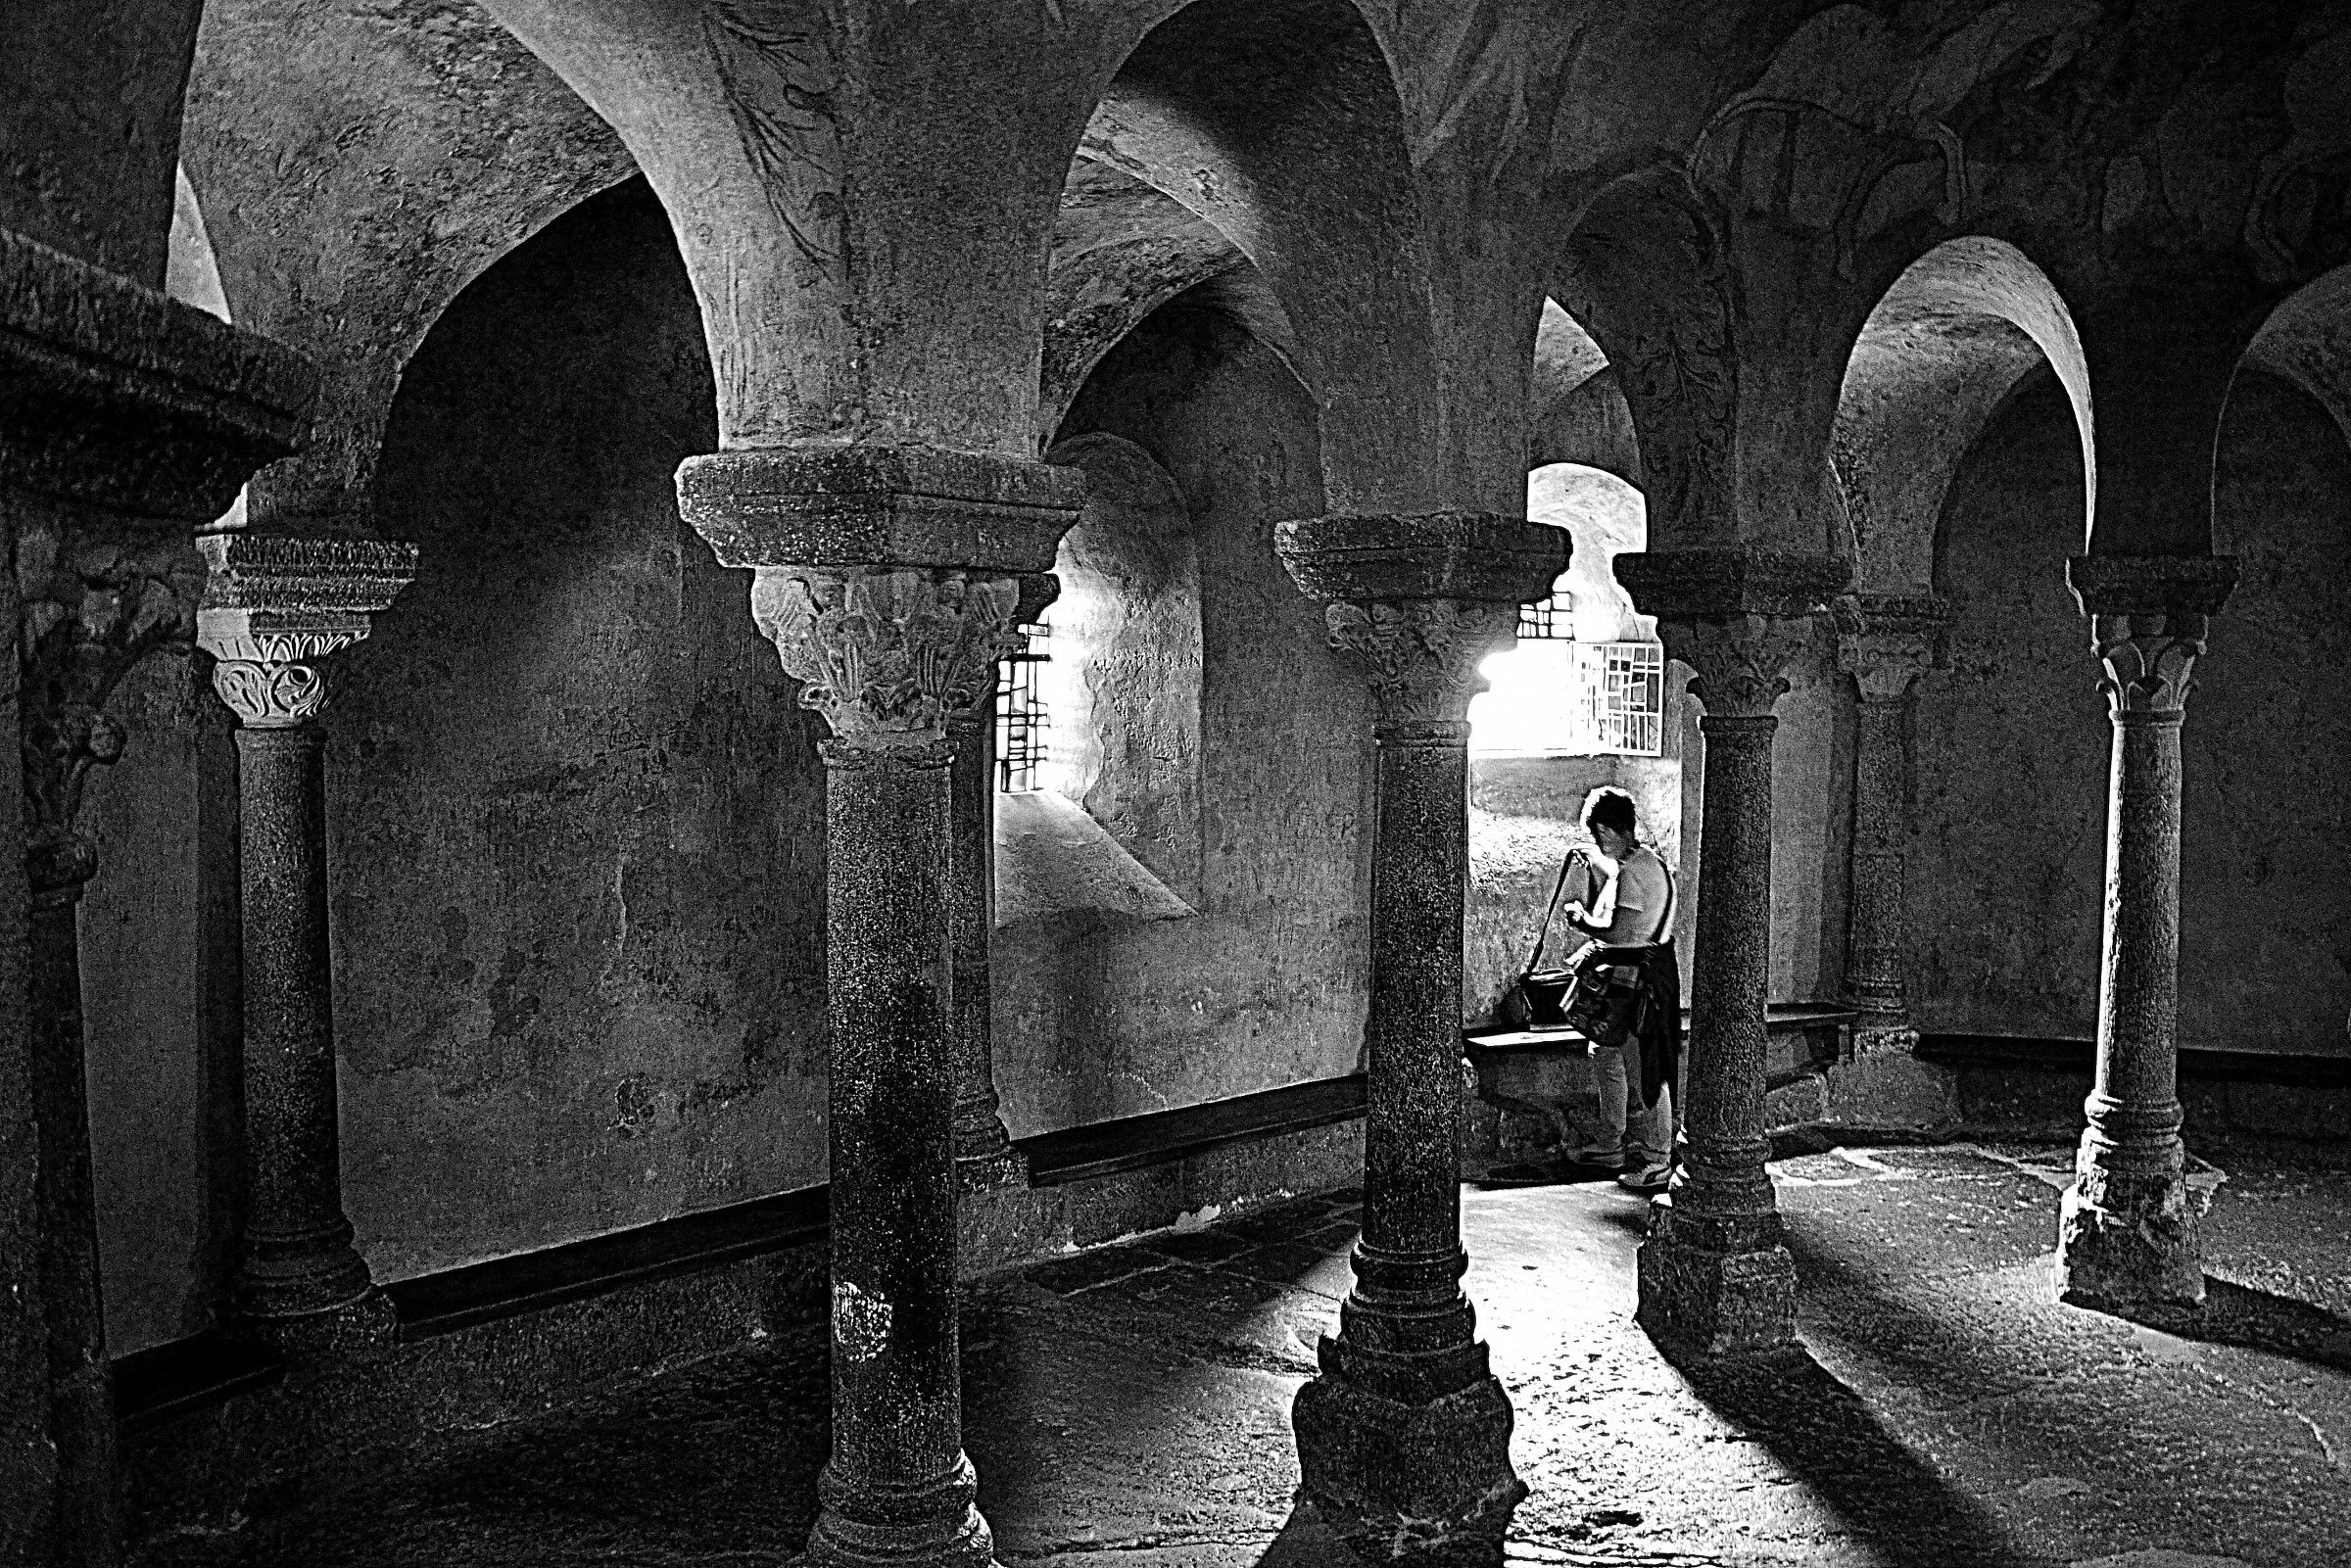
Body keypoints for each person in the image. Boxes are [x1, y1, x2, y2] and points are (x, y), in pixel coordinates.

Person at [1557, 787, 1682, 1193]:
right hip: (1646, 972)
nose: (1597, 842)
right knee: (1606, 1051)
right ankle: (1611, 1142)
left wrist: (1582, 921)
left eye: (1599, 834)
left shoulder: (1632, 873)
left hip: (1638, 980)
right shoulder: (1648, 862)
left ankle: (1658, 1158)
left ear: (1614, 830)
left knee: (1645, 1066)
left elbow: (1619, 932)